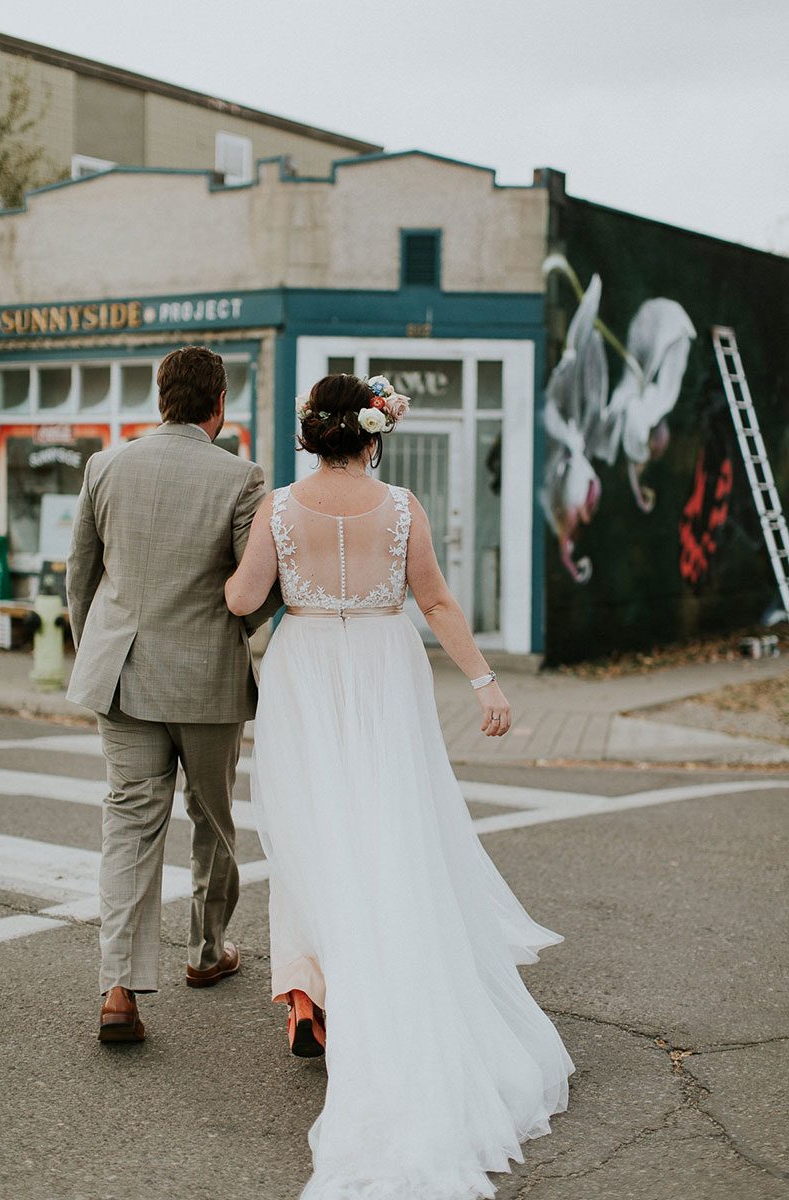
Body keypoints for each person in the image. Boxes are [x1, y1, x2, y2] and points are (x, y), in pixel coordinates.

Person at [226, 373, 574, 1200]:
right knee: (387, 830)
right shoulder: (403, 506)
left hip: (306, 669)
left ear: (313, 434)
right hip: (384, 668)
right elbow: (437, 600)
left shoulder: (277, 506)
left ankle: (307, 998)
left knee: (313, 833)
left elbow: (242, 597)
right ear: (373, 435)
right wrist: (486, 682)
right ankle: (363, 983)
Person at [66, 345, 280, 1042]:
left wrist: (96, 646)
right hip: (209, 682)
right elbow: (253, 598)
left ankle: (119, 989)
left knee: (128, 828)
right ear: (219, 404)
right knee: (214, 821)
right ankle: (206, 951)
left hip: (122, 672)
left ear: (162, 397)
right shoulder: (243, 477)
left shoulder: (106, 464)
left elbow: (81, 577)